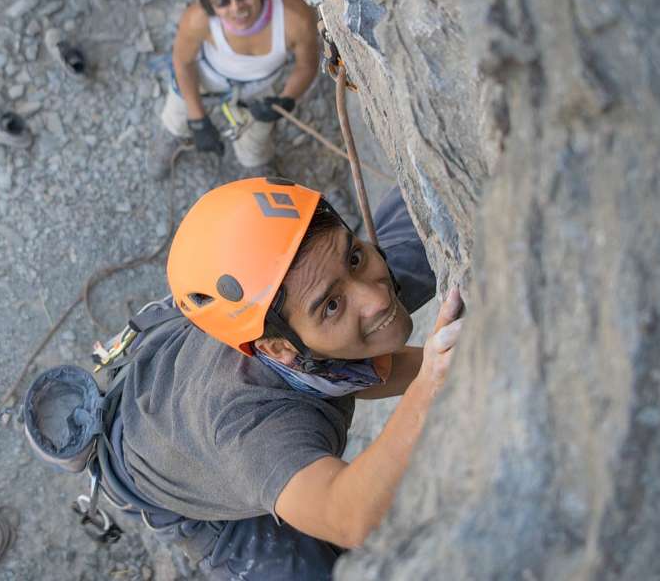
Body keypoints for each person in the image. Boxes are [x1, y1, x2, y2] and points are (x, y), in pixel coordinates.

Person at [96, 177, 464, 579]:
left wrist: (458, 364)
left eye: (354, 256)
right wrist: (429, 388)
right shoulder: (252, 430)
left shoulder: (311, 301)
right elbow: (348, 516)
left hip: (195, 371)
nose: (375, 298)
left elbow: (380, 367)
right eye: (332, 305)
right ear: (277, 349)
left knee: (423, 236)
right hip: (178, 479)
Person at [146, 0, 320, 177]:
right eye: (222, 1)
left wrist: (285, 99)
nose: (237, 8)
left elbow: (307, 65)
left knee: (256, 138)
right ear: (209, 5)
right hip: (206, 77)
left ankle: (254, 162)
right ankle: (176, 133)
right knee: (179, 110)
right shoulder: (197, 19)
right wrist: (197, 118)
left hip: (260, 87)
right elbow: (183, 63)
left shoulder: (294, 17)